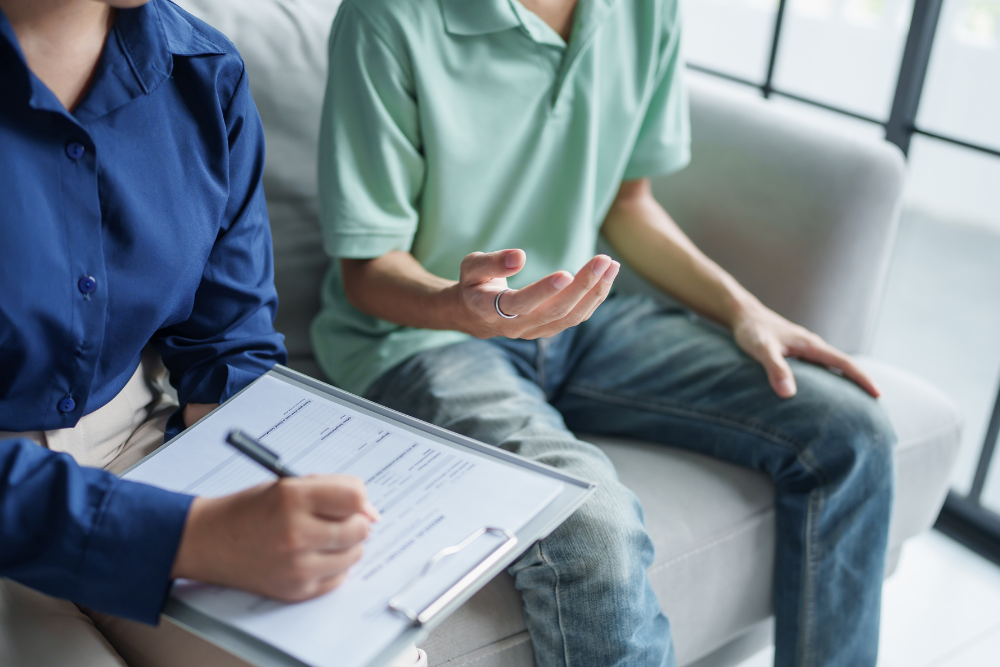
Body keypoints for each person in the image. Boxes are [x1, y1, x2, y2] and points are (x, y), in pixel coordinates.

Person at [312, 0, 897, 665]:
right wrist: (461, 305)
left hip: (580, 319)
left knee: (851, 430)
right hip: (421, 338)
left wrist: (743, 309)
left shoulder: (647, 11)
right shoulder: (386, 18)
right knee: (593, 530)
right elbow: (367, 268)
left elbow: (627, 202)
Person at [0, 1, 428, 666]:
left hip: (135, 445)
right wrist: (190, 538)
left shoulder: (202, 70)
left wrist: (253, 488)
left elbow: (229, 340)